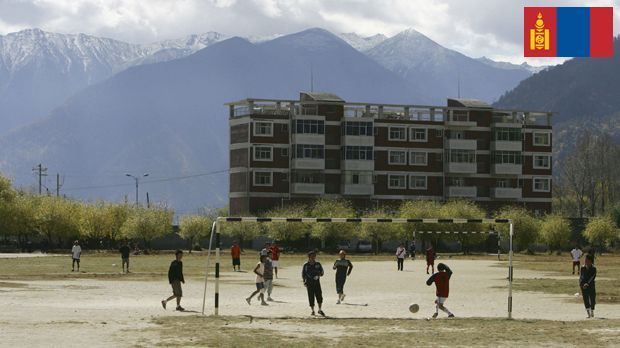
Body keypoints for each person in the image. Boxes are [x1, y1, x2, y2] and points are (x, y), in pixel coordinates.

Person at [302, 250, 325, 316]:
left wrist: (318, 275)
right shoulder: (306, 265)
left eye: (314, 256)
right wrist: (304, 281)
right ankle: (312, 310)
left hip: (317, 283)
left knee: (319, 296)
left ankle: (320, 309)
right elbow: (303, 274)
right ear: (309, 257)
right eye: (311, 256)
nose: (313, 257)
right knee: (311, 296)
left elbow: (322, 272)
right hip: (309, 283)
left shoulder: (318, 264)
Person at [580, 254, 597, 318]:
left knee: (592, 298)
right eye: (585, 260)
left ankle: (592, 310)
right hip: (583, 285)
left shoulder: (594, 268)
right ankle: (588, 313)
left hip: (591, 285)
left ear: (590, 261)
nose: (585, 261)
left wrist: (587, 283)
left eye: (586, 260)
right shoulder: (582, 267)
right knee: (585, 298)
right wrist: (582, 283)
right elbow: (581, 276)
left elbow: (592, 277)